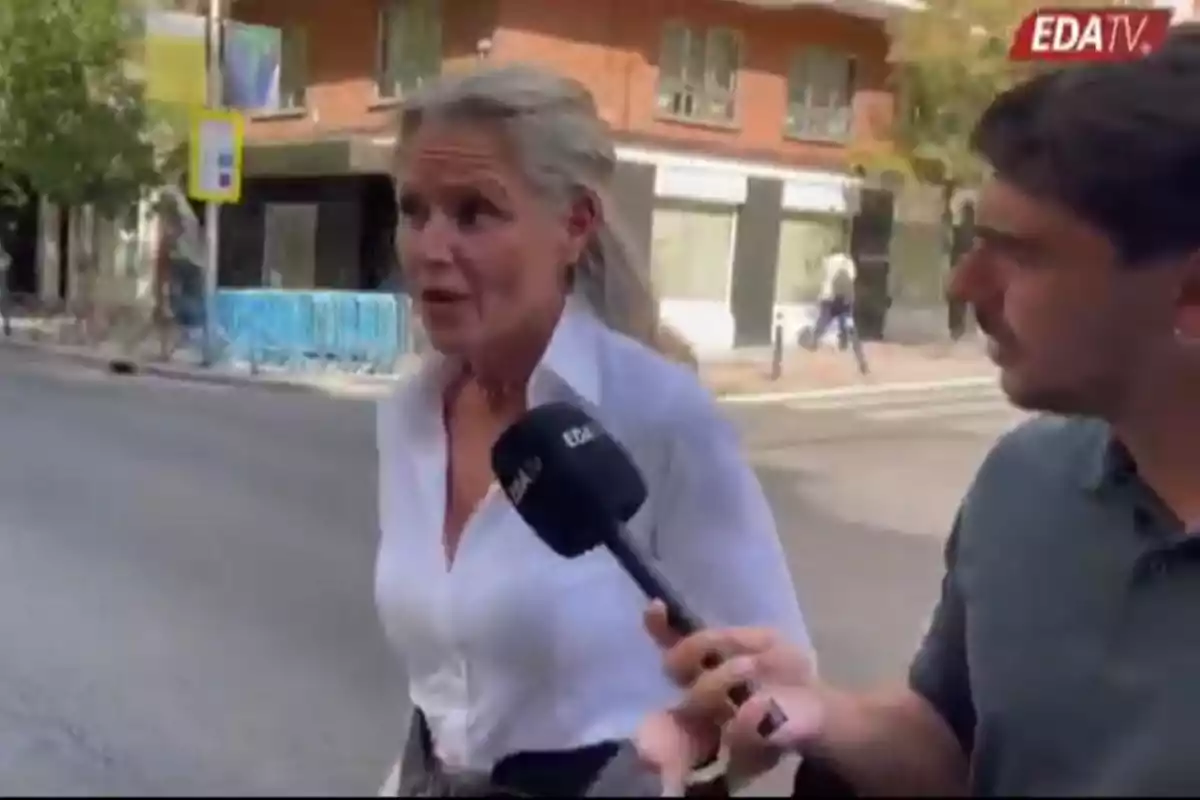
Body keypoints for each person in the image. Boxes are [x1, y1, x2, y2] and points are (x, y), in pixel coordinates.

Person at [634, 36, 1200, 798]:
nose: (966, 287)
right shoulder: (1026, 480)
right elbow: (950, 748)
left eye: (1023, 255)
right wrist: (823, 714)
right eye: (975, 243)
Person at [374, 63, 812, 797]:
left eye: (475, 212)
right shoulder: (409, 416)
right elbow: (444, 692)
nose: (430, 248)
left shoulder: (660, 415)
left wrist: (683, 740)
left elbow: (777, 690)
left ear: (574, 225)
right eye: (414, 211)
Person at [804, 243, 869, 375]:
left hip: (828, 299)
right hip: (844, 301)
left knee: (823, 321)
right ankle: (861, 361)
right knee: (851, 328)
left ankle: (813, 342)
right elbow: (852, 278)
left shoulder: (827, 261)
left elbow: (817, 273)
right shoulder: (848, 262)